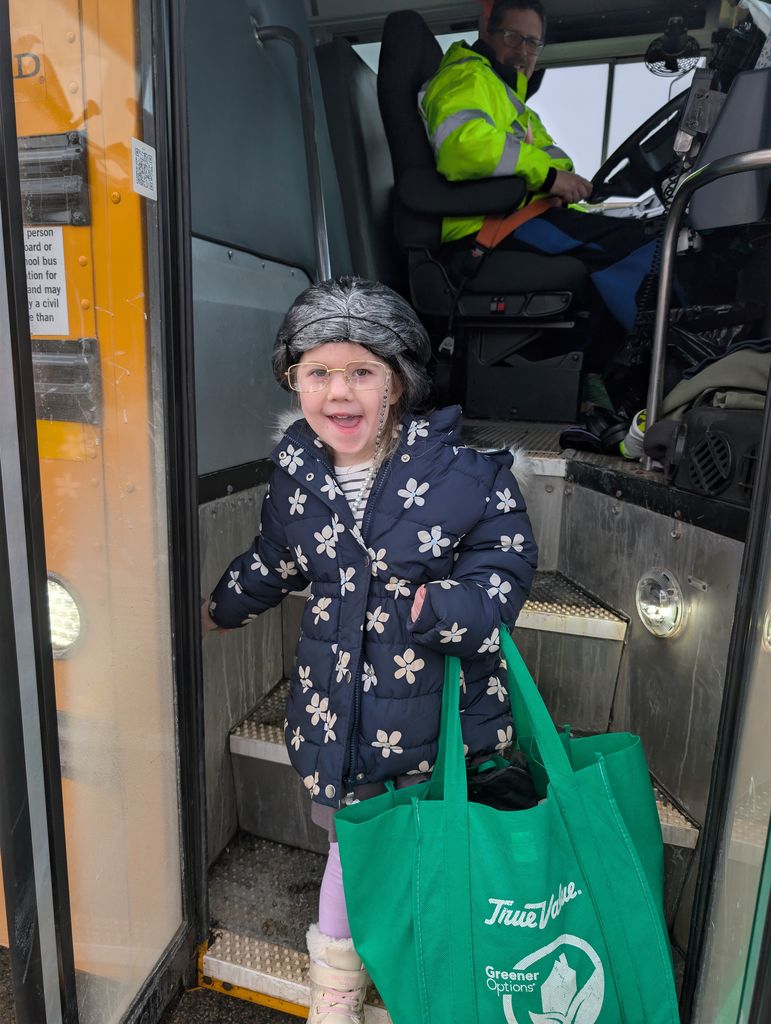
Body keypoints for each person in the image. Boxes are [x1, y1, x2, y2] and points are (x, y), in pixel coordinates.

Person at [202, 277, 537, 1023]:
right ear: (294, 380)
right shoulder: (297, 473)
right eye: (318, 372)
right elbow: (276, 559)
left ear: (399, 382)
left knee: (434, 851)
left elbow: (506, 561)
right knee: (351, 853)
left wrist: (453, 604)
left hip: (438, 717)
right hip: (337, 714)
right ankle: (337, 990)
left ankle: (436, 969)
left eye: (362, 372)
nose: (339, 393)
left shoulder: (464, 474)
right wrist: (222, 608)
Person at [420, 0, 660, 346]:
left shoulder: (514, 103)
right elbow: (463, 146)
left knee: (633, 234)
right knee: (642, 246)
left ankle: (609, 375)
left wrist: (566, 187)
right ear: (488, 31)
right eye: (513, 37)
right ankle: (664, 357)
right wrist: (548, 180)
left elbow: (555, 161)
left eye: (533, 43)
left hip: (521, 218)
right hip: (487, 229)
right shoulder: (467, 77)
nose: (524, 51)